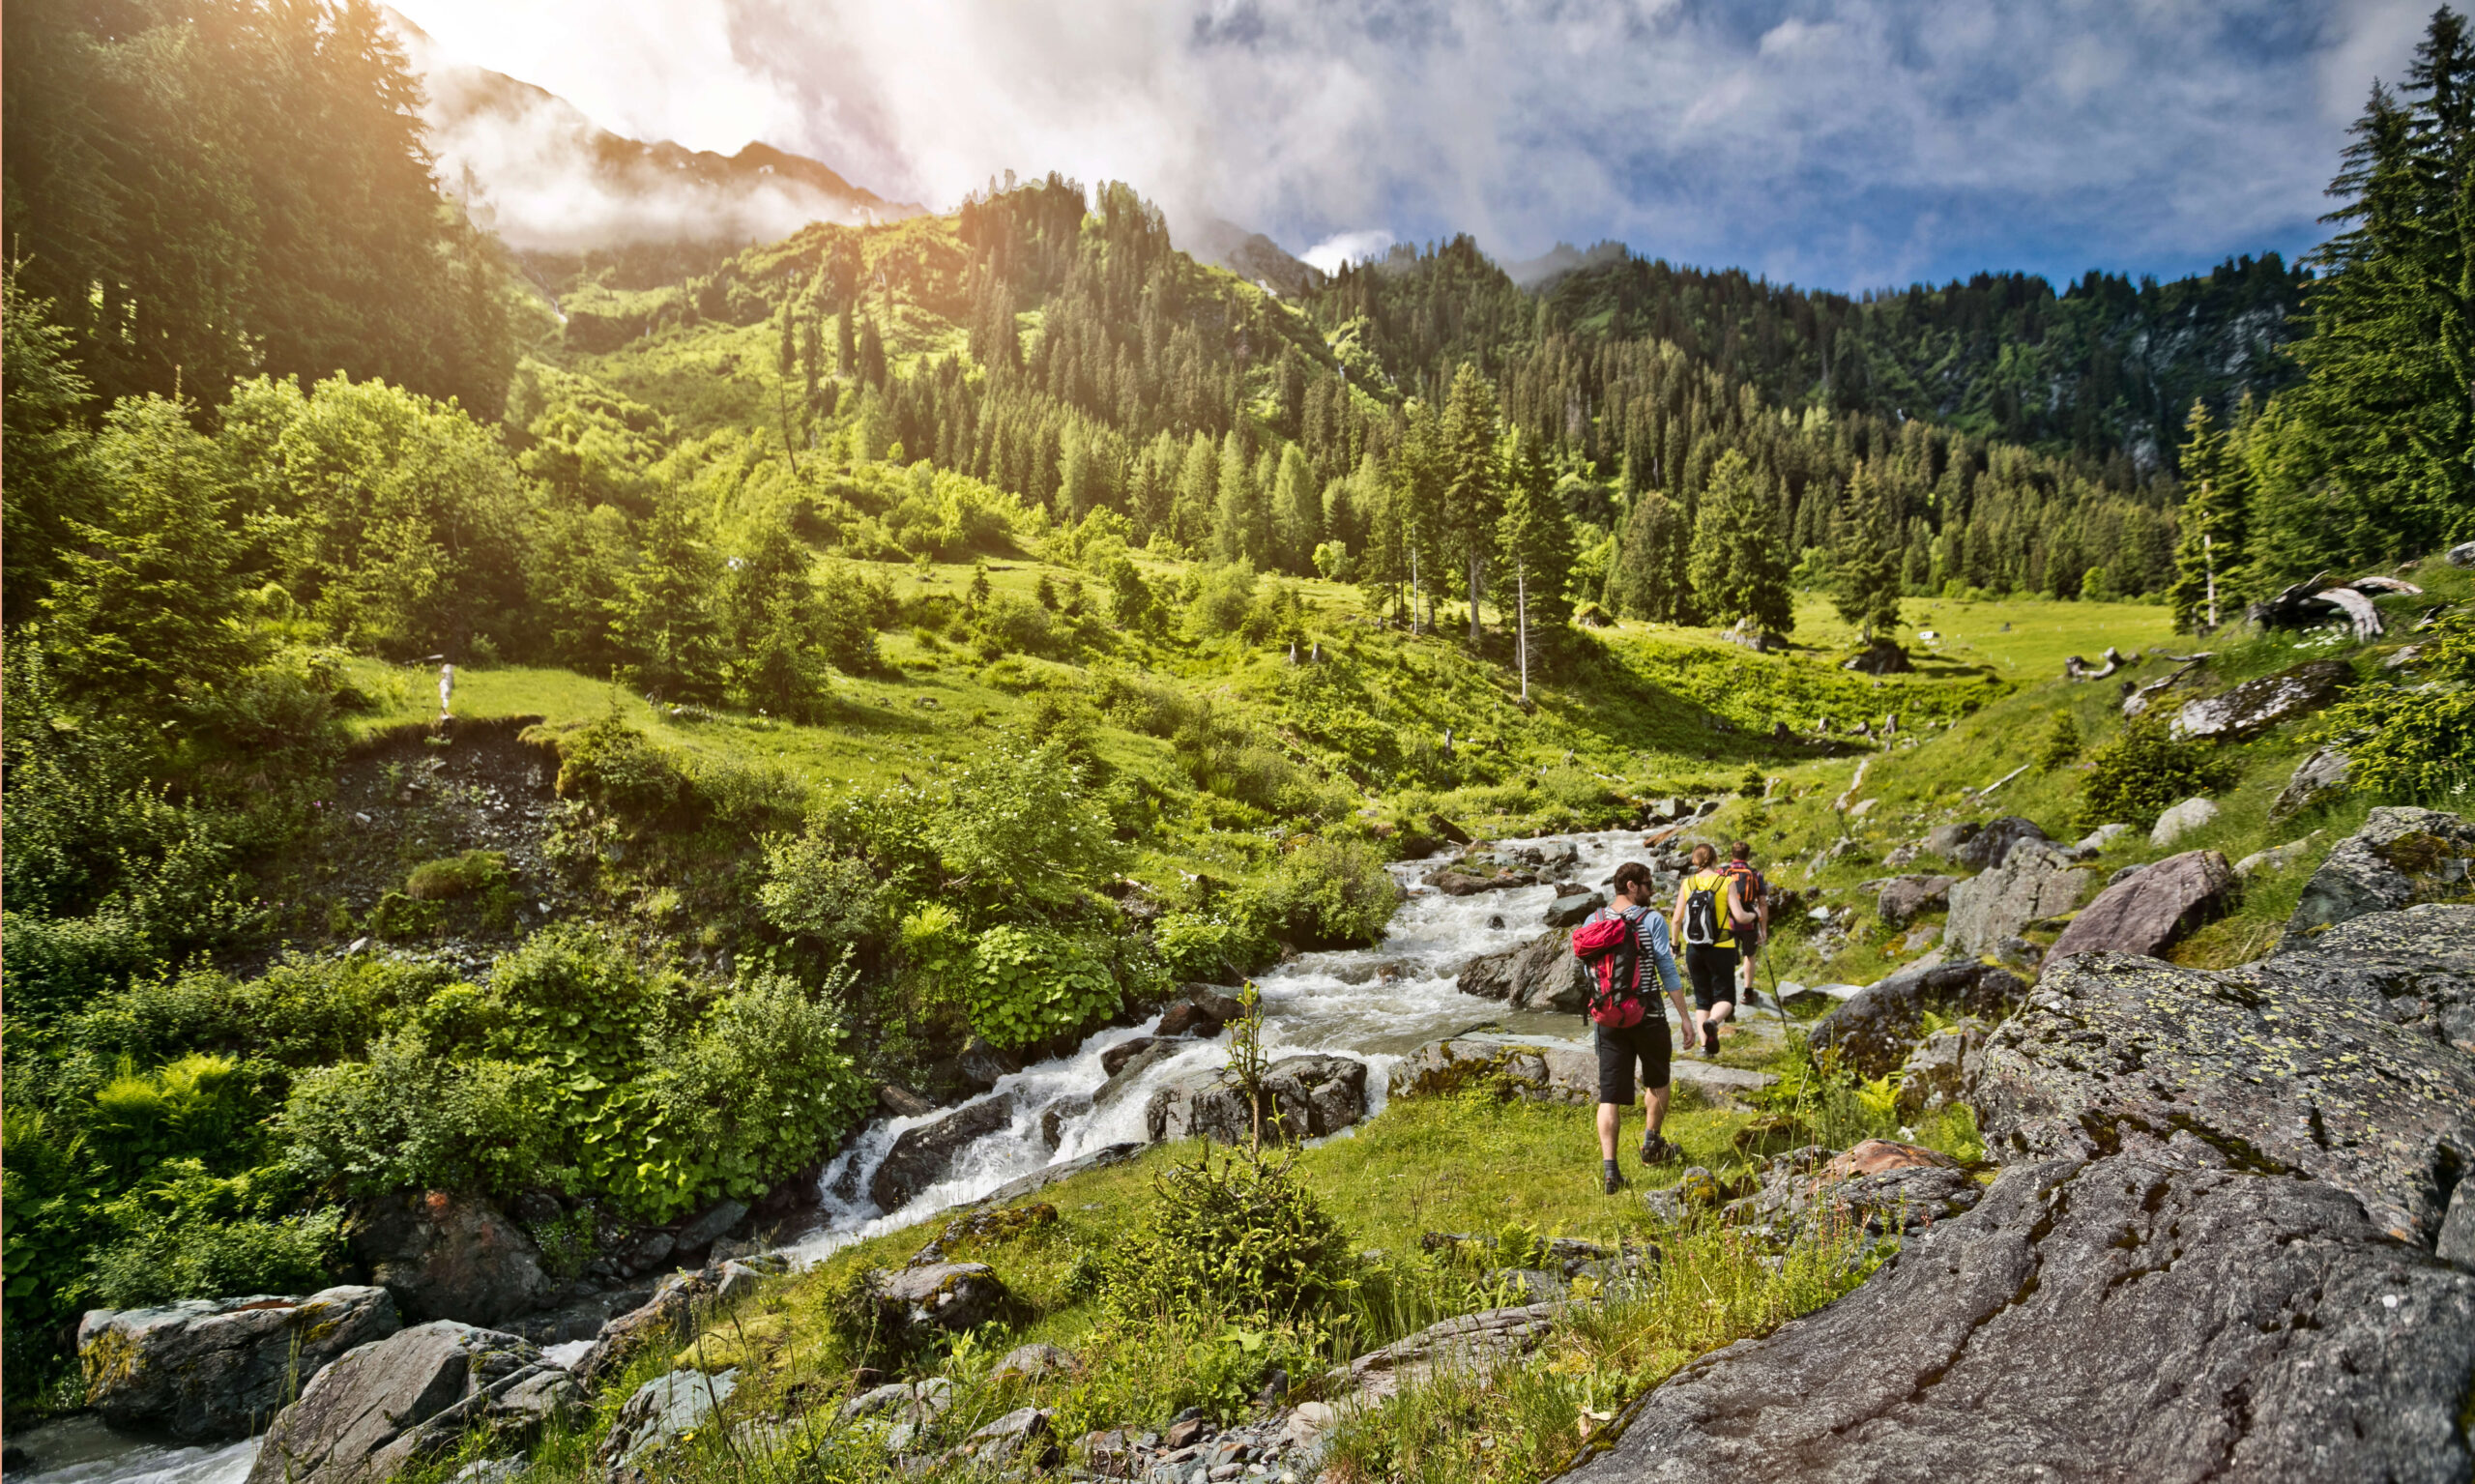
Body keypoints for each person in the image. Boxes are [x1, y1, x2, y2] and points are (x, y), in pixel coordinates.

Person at [1587, 860, 1698, 1194]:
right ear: (1632, 886)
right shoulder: (1651, 920)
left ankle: (1610, 1172)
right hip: (1647, 1014)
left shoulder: (1593, 919)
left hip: (1607, 1017)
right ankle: (1651, 1145)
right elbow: (1666, 967)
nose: (1652, 890)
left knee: (1609, 1096)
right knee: (1658, 1079)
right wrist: (1685, 1016)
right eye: (1648, 884)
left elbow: (1588, 969)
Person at [1672, 843, 1741, 1058]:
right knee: (1726, 997)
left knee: (1702, 998)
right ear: (1714, 858)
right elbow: (1739, 916)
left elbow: (1676, 919)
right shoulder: (1725, 882)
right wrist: (1754, 916)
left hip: (1695, 948)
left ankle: (1704, 1048)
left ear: (1694, 860)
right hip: (1721, 947)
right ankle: (1713, 1022)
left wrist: (1675, 945)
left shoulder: (1688, 883)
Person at [1719, 841, 1770, 1009]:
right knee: (1750, 956)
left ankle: (1725, 996)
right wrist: (1763, 929)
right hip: (1749, 922)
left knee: (1726, 959)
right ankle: (1747, 993)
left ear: (1731, 854)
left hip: (1728, 923)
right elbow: (1762, 903)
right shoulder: (1755, 875)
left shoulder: (1723, 872)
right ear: (1747, 856)